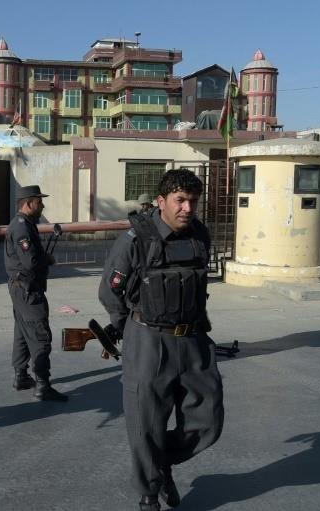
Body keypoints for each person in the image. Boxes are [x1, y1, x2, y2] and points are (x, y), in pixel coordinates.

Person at [98, 169, 224, 510]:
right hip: (149, 341)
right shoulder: (136, 238)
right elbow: (110, 292)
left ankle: (162, 461)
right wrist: (131, 330)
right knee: (146, 424)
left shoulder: (200, 234)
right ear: (161, 201)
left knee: (208, 420)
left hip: (194, 339)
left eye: (193, 201)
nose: (187, 208)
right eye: (180, 201)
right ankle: (149, 492)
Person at [4, 185, 68, 402]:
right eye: (39, 202)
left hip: (21, 288)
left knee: (22, 332)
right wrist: (47, 260)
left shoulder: (24, 224)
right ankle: (42, 384)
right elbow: (30, 262)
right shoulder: (22, 226)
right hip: (28, 289)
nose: (42, 205)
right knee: (40, 334)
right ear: (29, 203)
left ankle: (21, 376)